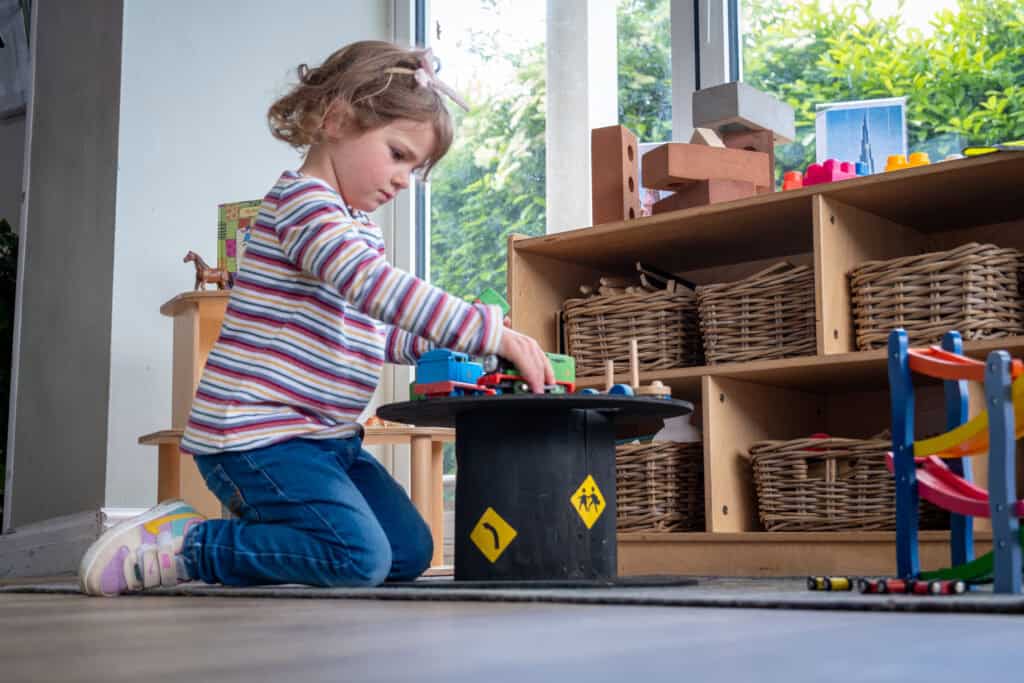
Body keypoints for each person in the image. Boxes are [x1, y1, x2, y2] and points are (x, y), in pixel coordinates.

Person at [80, 40, 554, 597]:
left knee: (409, 552)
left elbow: (377, 328)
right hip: (257, 437)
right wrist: (485, 328)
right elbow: (374, 287)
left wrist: (461, 350)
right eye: (398, 153)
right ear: (336, 119)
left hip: (327, 440)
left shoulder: (358, 227)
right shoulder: (303, 206)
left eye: (415, 168)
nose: (404, 179)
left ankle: (268, 538)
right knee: (357, 559)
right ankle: (190, 546)